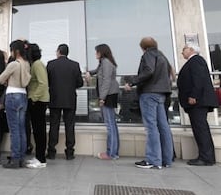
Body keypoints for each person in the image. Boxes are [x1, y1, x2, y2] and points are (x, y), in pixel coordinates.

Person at [125, 37, 173, 169]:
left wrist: (132, 82)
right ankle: (166, 159)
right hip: (161, 94)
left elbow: (149, 71)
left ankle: (153, 160)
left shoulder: (148, 55)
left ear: (143, 47)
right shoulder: (162, 56)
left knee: (151, 126)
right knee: (163, 127)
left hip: (149, 94)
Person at [177, 44, 218, 166]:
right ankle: (205, 156)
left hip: (198, 102)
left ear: (191, 50)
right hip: (197, 102)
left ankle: (206, 157)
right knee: (199, 129)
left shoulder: (196, 61)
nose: (182, 52)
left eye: (184, 49)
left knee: (201, 129)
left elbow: (198, 79)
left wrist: (194, 95)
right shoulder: (194, 61)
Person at [46, 44, 84, 160]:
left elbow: (47, 81)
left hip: (55, 98)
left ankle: (51, 152)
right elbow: (80, 83)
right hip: (70, 99)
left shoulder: (51, 64)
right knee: (70, 126)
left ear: (58, 52)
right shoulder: (75, 65)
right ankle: (69, 152)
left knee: (54, 125)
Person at [0, 40, 31, 168]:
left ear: (16, 51)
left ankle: (15, 158)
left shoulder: (13, 64)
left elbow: (1, 79)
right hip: (23, 95)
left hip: (12, 95)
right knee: (22, 128)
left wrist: (8, 79)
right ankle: (21, 157)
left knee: (14, 129)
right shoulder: (27, 64)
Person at [86, 44, 120, 160]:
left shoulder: (106, 63)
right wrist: (89, 73)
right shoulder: (104, 62)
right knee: (112, 124)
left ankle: (111, 153)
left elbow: (106, 81)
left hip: (108, 95)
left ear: (101, 52)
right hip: (110, 94)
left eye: (97, 52)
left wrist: (102, 98)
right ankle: (114, 151)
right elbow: (97, 71)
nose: (95, 54)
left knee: (110, 125)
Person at [25, 43, 50, 168]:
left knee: (39, 130)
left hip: (38, 101)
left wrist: (34, 98)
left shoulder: (37, 64)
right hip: (38, 100)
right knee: (37, 130)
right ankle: (39, 157)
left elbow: (43, 83)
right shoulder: (36, 64)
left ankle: (41, 159)